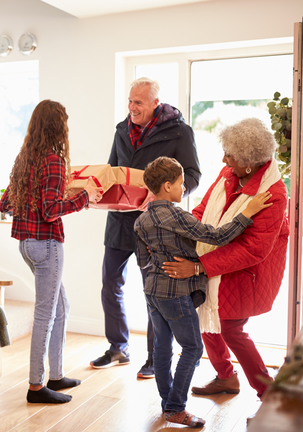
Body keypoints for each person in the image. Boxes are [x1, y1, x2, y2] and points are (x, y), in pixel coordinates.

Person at [135, 156, 272, 426]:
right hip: (175, 293)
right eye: (180, 184)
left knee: (162, 347)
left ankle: (167, 403)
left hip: (152, 291)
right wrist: (247, 212)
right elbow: (217, 236)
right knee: (193, 348)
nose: (183, 188)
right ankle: (175, 408)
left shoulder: (141, 220)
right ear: (166, 186)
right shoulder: (178, 216)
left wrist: (161, 261)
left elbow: (143, 260)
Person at [162, 117, 289, 400]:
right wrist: (183, 231)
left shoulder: (274, 194)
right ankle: (225, 377)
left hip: (248, 272)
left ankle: (268, 392)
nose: (223, 159)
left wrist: (199, 266)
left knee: (231, 328)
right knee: (204, 315)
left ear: (248, 162)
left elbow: (253, 249)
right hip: (215, 262)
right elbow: (203, 209)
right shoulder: (227, 174)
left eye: (229, 155)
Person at [90, 77, 201, 379]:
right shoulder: (121, 130)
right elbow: (111, 170)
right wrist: (98, 189)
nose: (131, 107)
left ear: (155, 103)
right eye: (129, 101)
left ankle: (155, 357)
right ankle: (117, 347)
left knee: (154, 292)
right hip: (119, 222)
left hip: (155, 224)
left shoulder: (180, 131)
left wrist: (163, 192)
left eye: (138, 102)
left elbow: (192, 174)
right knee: (110, 284)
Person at [0, 100, 103, 404]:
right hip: (46, 245)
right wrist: (84, 196)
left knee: (62, 306)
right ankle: (35, 387)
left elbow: (5, 204)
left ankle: (55, 375)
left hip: (25, 245)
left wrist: (37, 198)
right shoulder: (53, 161)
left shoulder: (23, 159)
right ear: (59, 126)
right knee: (46, 313)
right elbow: (50, 210)